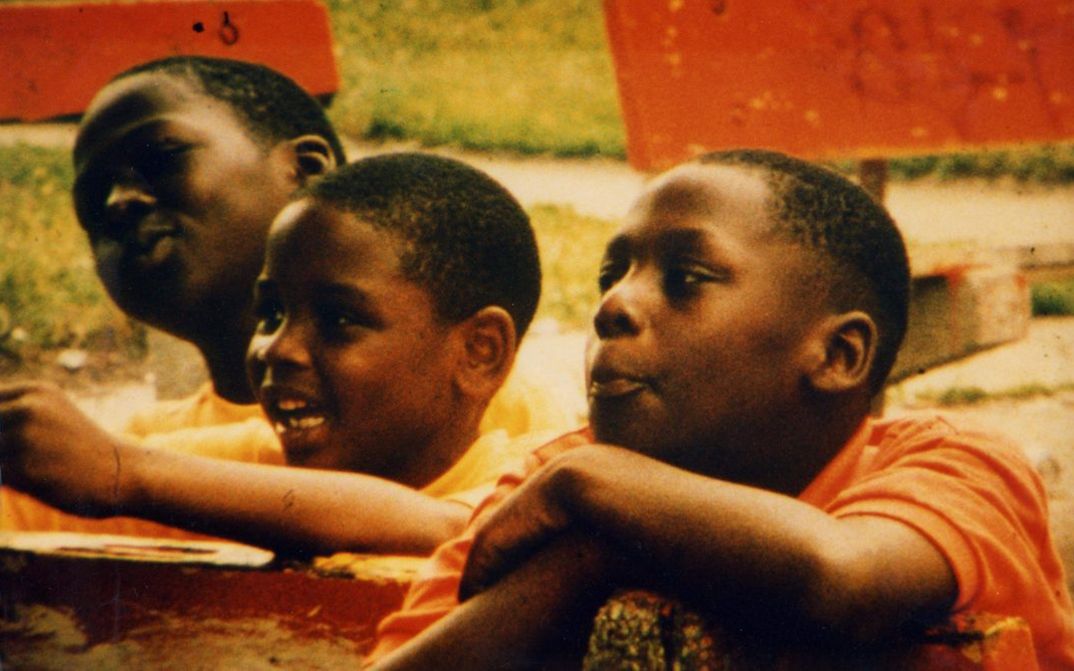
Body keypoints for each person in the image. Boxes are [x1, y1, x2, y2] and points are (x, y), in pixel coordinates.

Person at [365, 150, 1074, 669]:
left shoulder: (953, 463)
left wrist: (588, 493)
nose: (614, 305)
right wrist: (586, 559)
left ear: (839, 355)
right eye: (613, 276)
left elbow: (842, 577)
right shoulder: (561, 477)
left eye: (687, 279)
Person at [1, 56, 581, 537]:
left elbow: (460, 528)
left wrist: (130, 475)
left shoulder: (498, 414)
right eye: (271, 313)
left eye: (339, 319)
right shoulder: (201, 446)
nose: (118, 202)